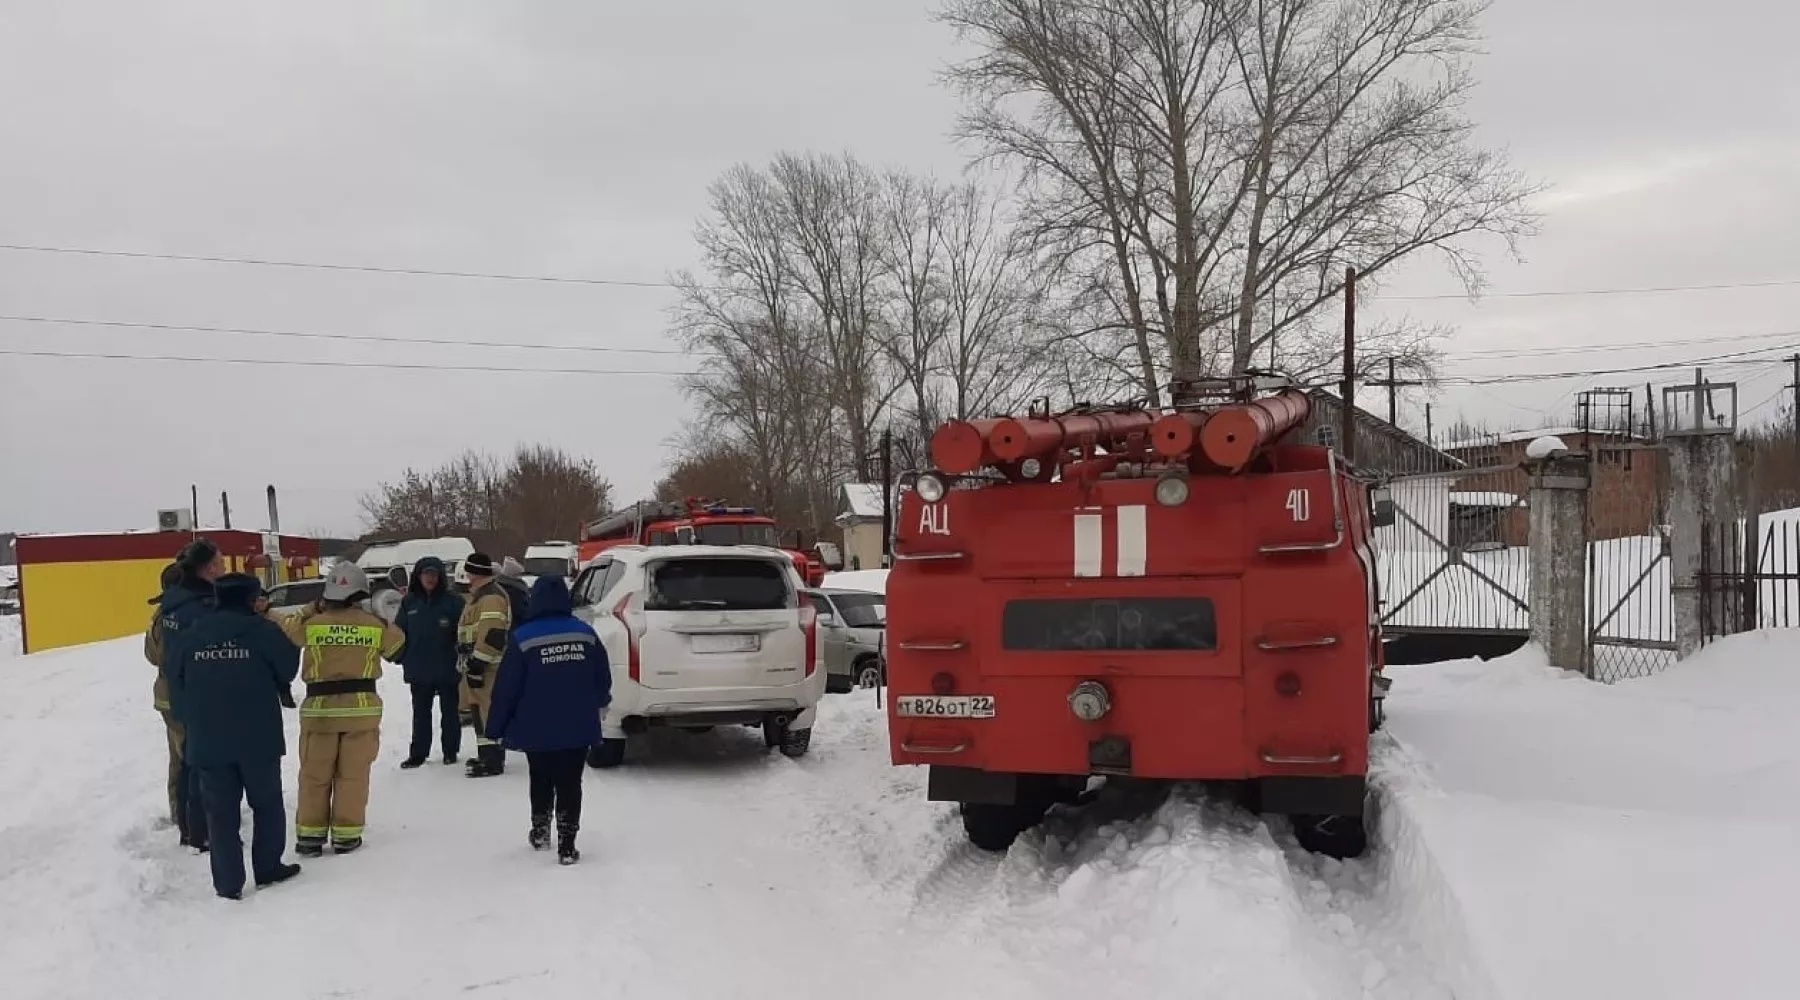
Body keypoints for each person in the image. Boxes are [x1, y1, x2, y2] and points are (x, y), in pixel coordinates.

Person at [167, 573, 303, 900]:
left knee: (220, 812)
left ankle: (228, 883)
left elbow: (175, 680)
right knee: (267, 804)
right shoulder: (263, 632)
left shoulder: (191, 635)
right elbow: (287, 668)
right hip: (258, 737)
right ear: (249, 598)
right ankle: (268, 866)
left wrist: (191, 722)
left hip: (208, 739)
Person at [279, 562, 407, 857]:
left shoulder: (313, 624)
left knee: (314, 774)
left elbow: (289, 627)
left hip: (319, 713)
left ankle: (310, 837)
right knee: (353, 776)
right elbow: (398, 647)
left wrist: (312, 608)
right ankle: (346, 836)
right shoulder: (373, 625)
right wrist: (377, 616)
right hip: (361, 712)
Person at [486, 575, 612, 865]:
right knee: (570, 782)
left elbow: (507, 688)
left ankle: (540, 830)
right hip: (578, 724)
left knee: (540, 777)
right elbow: (601, 676)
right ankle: (567, 844)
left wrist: (496, 727)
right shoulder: (586, 633)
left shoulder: (523, 637)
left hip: (536, 725)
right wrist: (600, 702)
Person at [145, 537, 227, 851]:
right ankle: (192, 825)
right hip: (182, 693)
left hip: (166, 695)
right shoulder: (185, 613)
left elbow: (151, 654)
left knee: (178, 761)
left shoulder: (160, 616)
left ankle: (184, 818)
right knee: (192, 760)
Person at [395, 556, 466, 768]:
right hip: (418, 667)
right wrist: (399, 655)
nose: (430, 578)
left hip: (447, 666)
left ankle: (450, 751)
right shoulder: (409, 602)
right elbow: (398, 633)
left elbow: (463, 631)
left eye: (434, 574)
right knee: (420, 714)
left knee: (450, 713)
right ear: (418, 576)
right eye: (426, 574)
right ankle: (418, 753)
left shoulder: (453, 601)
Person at [457, 553, 515, 778]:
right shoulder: (481, 596)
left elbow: (493, 635)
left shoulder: (490, 598)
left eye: (469, 572)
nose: (467, 577)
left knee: (488, 712)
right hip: (479, 664)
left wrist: (478, 663)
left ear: (475, 573)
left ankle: (493, 759)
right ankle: (486, 755)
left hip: (487, 667)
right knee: (479, 711)